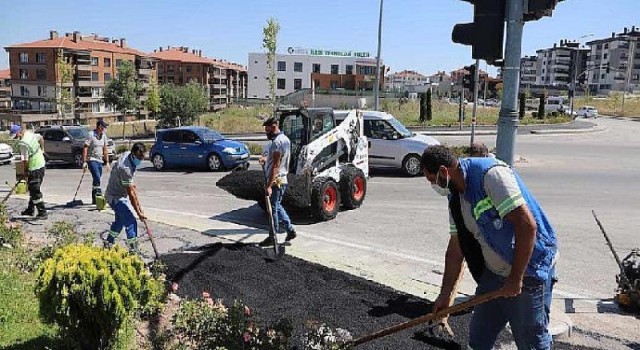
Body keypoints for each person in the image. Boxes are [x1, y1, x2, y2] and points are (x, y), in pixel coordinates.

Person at [421, 145, 558, 350]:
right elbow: (456, 250)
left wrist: (516, 278)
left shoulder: (491, 175)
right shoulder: (455, 197)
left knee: (531, 342)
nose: (433, 185)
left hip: (529, 269)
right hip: (494, 274)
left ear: (443, 172)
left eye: (432, 179)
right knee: (478, 339)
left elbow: (527, 226)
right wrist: (445, 295)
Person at [258, 116, 296, 246]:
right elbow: (273, 159)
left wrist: (269, 185)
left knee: (273, 208)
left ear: (274, 127)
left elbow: (275, 166)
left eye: (267, 130)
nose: (266, 133)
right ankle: (290, 230)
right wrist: (265, 159)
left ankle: (272, 236)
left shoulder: (277, 142)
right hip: (282, 179)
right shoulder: (285, 140)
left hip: (276, 180)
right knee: (277, 205)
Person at [103, 142, 147, 253]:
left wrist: (130, 185)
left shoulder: (128, 154)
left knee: (119, 222)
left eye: (142, 157)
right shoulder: (125, 168)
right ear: (133, 154)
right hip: (115, 197)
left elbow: (130, 187)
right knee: (131, 221)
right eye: (139, 158)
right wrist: (139, 212)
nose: (140, 160)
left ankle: (108, 243)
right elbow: (131, 195)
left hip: (117, 192)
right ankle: (133, 250)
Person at [10, 125, 48, 219]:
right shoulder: (30, 134)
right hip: (41, 164)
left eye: (15, 136)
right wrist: (42, 150)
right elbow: (41, 138)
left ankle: (42, 212)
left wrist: (25, 172)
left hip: (34, 168)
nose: (16, 138)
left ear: (19, 132)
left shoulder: (23, 144)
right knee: (33, 189)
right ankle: (30, 210)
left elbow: (25, 161)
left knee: (35, 191)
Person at [83, 120, 111, 205]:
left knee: (96, 180)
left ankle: (94, 199)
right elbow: (85, 148)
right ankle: (99, 198)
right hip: (91, 159)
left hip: (99, 160)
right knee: (97, 177)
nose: (105, 128)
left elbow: (105, 150)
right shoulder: (91, 134)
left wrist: (107, 162)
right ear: (99, 126)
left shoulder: (104, 136)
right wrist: (84, 161)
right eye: (104, 127)